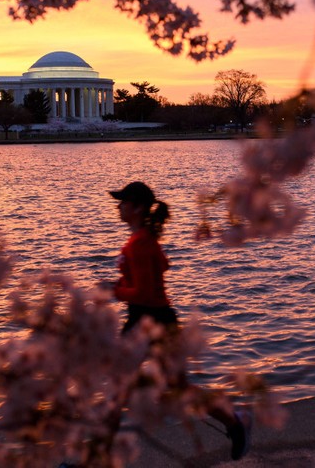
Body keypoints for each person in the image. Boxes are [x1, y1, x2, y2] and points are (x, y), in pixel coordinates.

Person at [109, 181, 252, 461]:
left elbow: (145, 293)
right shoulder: (144, 240)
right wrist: (126, 281)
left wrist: (113, 290)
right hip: (158, 320)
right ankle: (235, 421)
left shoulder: (139, 244)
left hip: (147, 322)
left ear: (137, 207)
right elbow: (160, 269)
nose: (118, 206)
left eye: (123, 202)